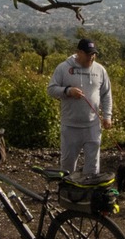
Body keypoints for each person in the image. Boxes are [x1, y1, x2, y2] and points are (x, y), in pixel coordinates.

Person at [46, 36, 112, 178]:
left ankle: (88, 194)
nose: (91, 57)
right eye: (88, 54)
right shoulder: (64, 68)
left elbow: (106, 94)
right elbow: (51, 89)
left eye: (93, 54)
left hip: (93, 126)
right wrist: (68, 91)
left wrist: (107, 116)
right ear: (79, 53)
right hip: (70, 126)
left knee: (93, 165)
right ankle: (66, 193)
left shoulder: (100, 70)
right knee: (67, 164)